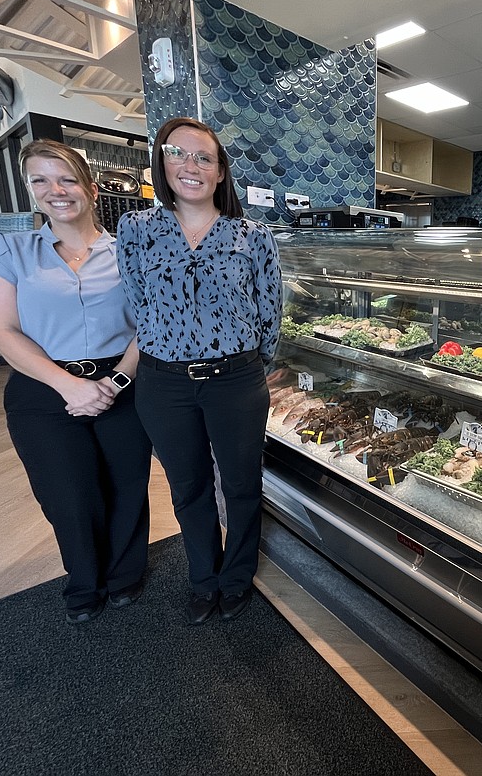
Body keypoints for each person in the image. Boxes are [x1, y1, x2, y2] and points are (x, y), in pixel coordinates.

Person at [0, 140, 152, 624]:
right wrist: (68, 385)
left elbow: (149, 324)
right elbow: (1, 331)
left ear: (91, 189)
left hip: (123, 381)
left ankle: (124, 576)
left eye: (67, 179)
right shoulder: (11, 249)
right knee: (68, 492)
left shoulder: (129, 252)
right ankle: (84, 581)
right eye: (41, 180)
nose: (56, 190)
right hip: (42, 387)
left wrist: (114, 381)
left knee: (127, 485)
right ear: (32, 190)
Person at [116, 117, 281, 626]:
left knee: (241, 484)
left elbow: (270, 313)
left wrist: (250, 366)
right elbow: (137, 305)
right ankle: (202, 577)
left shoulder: (252, 235)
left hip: (235, 380)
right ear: (161, 164)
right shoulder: (136, 229)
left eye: (204, 158)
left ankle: (237, 576)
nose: (191, 165)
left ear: (220, 172)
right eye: (178, 153)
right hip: (163, 383)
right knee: (187, 488)